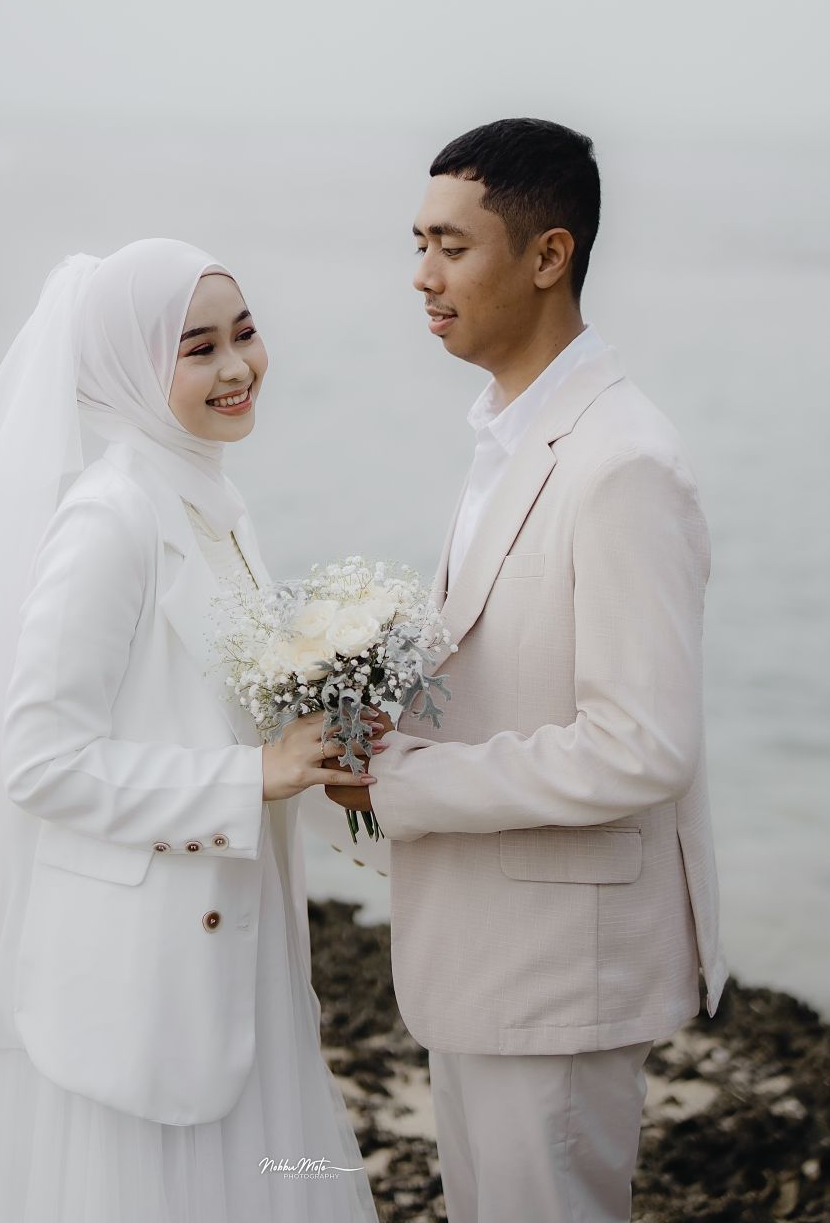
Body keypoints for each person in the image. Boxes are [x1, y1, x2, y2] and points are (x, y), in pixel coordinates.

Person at [0, 239, 383, 1223]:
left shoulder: (210, 500)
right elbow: (41, 764)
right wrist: (252, 777)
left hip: (236, 951)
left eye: (244, 333)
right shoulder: (108, 519)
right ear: (126, 368)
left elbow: (211, 706)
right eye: (197, 348)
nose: (237, 367)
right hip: (143, 975)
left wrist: (331, 736)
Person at [339, 118, 727, 1223]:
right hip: (488, 955)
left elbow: (640, 746)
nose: (422, 276)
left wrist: (404, 784)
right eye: (418, 243)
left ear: (549, 255)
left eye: (451, 246)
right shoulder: (510, 434)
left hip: (560, 970)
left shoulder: (621, 462)